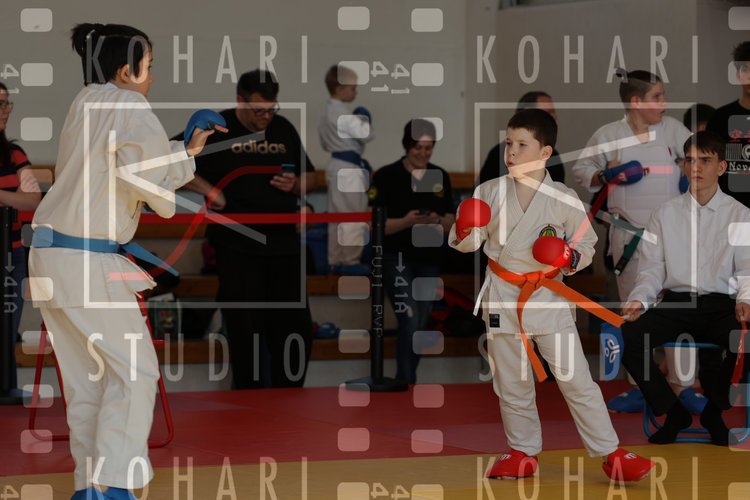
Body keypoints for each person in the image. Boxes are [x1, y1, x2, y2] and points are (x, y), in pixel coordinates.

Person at [28, 23, 221, 500]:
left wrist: (185, 150)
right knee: (136, 371)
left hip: (52, 258)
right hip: (86, 260)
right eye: (148, 67)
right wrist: (184, 155)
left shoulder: (85, 102)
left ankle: (90, 487)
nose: (151, 78)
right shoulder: (130, 104)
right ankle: (113, 484)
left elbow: (125, 168)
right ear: (124, 70)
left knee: (88, 383)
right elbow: (150, 188)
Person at [451, 109, 654, 481]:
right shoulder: (490, 191)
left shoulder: (563, 197)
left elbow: (586, 245)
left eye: (522, 144)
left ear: (545, 152)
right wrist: (464, 228)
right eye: (509, 143)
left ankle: (611, 453)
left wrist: (567, 257)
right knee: (511, 382)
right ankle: (522, 452)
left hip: (546, 296)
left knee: (576, 379)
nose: (511, 152)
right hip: (502, 296)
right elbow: (471, 243)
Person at [572, 70, 699, 414]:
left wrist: (688, 174)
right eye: (657, 97)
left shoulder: (673, 130)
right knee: (635, 312)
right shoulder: (609, 135)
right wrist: (606, 174)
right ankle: (639, 387)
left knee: (679, 310)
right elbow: (582, 171)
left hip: (673, 236)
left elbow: (698, 158)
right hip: (629, 237)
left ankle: (683, 386)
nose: (664, 103)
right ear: (635, 102)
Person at [183, 69, 316, 389]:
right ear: (240, 101)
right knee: (246, 332)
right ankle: (249, 399)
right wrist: (210, 191)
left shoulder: (282, 127)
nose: (265, 117)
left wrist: (297, 184)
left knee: (296, 329)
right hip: (238, 247)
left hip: (284, 246)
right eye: (258, 110)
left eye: (271, 109)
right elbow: (171, 163)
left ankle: (290, 399)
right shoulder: (217, 128)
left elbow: (311, 177)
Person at [621, 130, 750, 446]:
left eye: (705, 160)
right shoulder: (664, 214)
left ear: (721, 167)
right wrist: (639, 300)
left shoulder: (740, 214)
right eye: (690, 160)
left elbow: (747, 267)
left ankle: (714, 412)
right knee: (630, 336)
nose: (696, 167)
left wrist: (746, 298)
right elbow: (651, 269)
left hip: (721, 305)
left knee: (746, 339)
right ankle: (673, 411)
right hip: (676, 304)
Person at [369, 119, 454, 384]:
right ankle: (405, 382)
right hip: (396, 256)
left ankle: (407, 379)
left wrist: (436, 219)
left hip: (429, 258)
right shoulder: (387, 176)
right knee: (410, 316)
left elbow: (452, 220)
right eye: (418, 148)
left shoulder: (439, 175)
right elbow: (375, 225)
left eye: (428, 148)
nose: (423, 154)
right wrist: (407, 221)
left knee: (421, 320)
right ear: (407, 146)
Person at [0, 81, 41, 390]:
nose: (5, 110)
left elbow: (32, 199)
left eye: (7, 103)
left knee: (6, 333)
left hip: (11, 254)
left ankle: (7, 392)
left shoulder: (14, 154)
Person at [319, 64, 374, 275]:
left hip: (336, 165)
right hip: (349, 169)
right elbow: (367, 134)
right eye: (352, 88)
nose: (355, 92)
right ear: (339, 88)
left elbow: (324, 143)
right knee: (353, 215)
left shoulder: (327, 113)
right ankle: (350, 261)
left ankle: (335, 260)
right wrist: (364, 117)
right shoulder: (342, 113)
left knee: (337, 216)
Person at [477, 91, 565, 185]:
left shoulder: (554, 157)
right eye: (547, 112)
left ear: (546, 152)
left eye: (553, 112)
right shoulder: (497, 155)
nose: (554, 117)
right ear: (527, 113)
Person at [706, 41, 750, 208]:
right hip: (728, 209)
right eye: (745, 70)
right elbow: (709, 165)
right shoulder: (721, 118)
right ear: (738, 74)